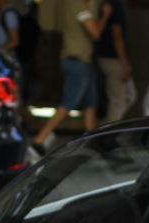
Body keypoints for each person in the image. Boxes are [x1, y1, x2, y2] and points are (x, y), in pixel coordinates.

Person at [33, 0, 113, 150]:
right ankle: (39, 139)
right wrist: (106, 16)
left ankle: (92, 142)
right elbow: (95, 33)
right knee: (68, 103)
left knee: (91, 103)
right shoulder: (79, 7)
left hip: (83, 62)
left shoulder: (81, 6)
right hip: (77, 63)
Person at [95, 0, 136, 122]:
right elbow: (117, 38)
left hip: (109, 57)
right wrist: (124, 65)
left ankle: (106, 127)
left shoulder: (108, 5)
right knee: (118, 101)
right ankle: (107, 133)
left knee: (129, 96)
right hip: (112, 58)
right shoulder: (115, 6)